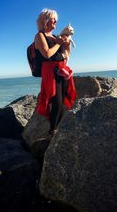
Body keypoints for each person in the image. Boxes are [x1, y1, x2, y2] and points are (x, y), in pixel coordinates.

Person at [35, 8, 77, 137]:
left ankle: (58, 128)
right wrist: (59, 44)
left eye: (56, 20)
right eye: (53, 19)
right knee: (56, 103)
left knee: (63, 101)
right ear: (45, 20)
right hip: (50, 72)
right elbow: (47, 54)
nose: (56, 22)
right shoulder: (39, 36)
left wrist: (67, 44)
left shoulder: (55, 36)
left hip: (62, 70)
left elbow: (64, 55)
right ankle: (52, 131)